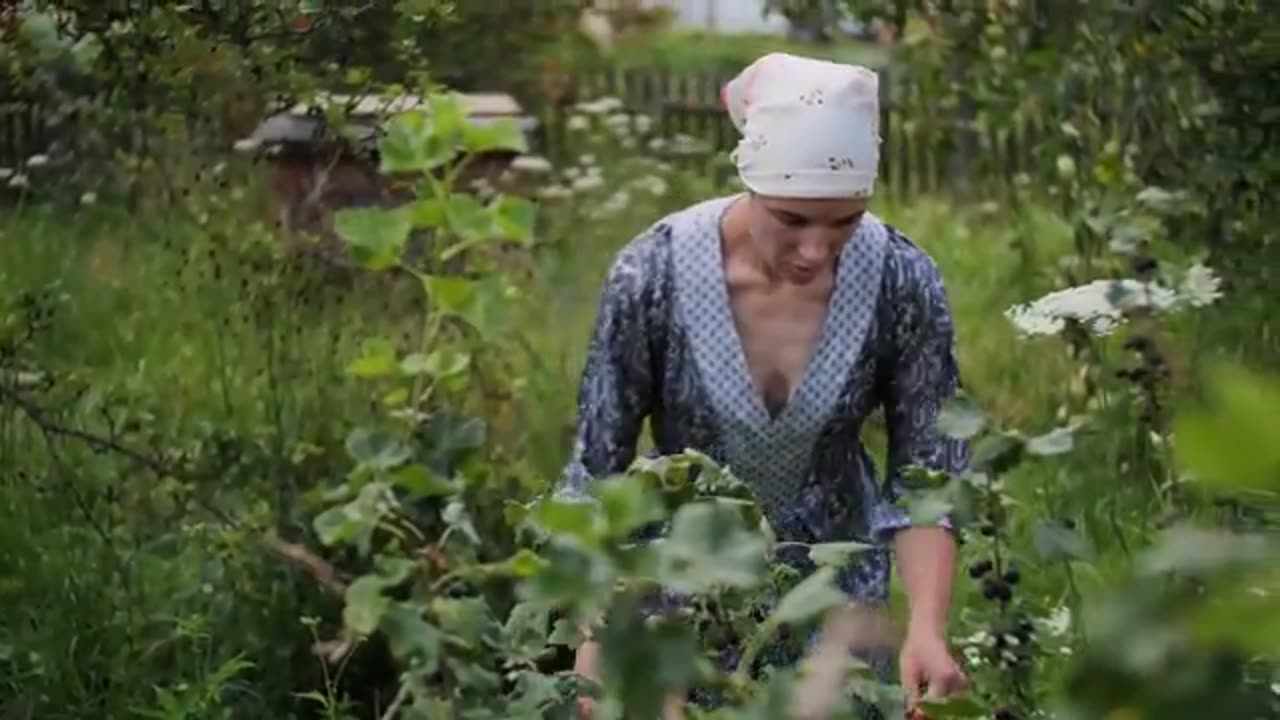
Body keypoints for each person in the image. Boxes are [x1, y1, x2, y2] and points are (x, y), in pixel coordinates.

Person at [557, 51, 971, 717]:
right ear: (749, 182)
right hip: (680, 591)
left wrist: (926, 625)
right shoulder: (653, 275)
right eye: (793, 219)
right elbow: (596, 467)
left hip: (834, 595)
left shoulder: (900, 281)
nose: (815, 249)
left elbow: (926, 475)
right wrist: (595, 631)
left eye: (843, 222)